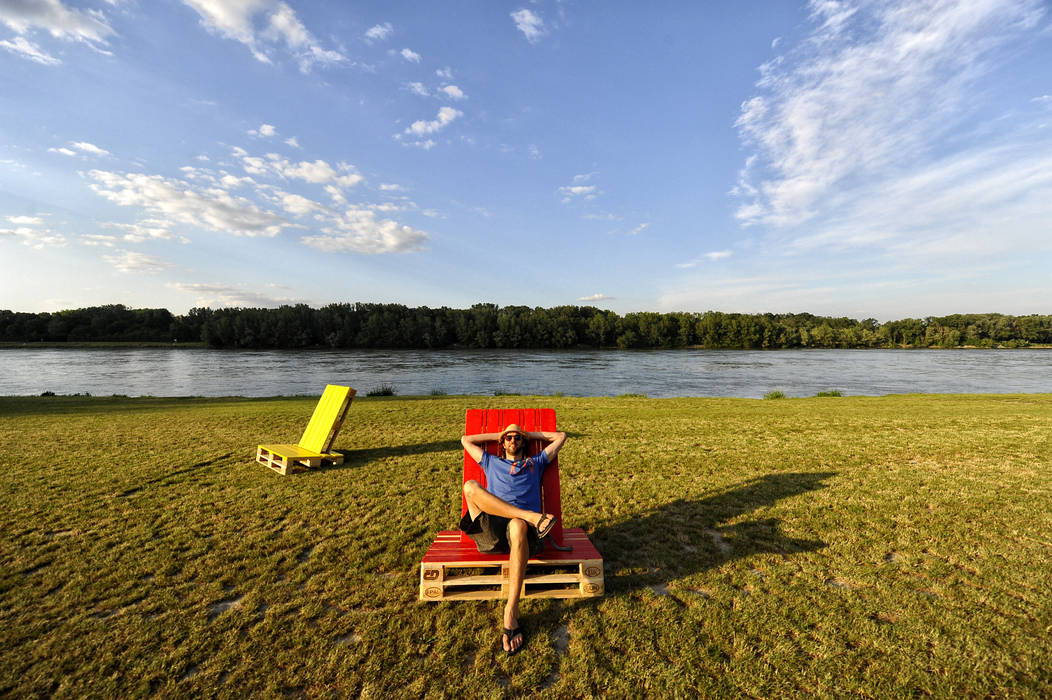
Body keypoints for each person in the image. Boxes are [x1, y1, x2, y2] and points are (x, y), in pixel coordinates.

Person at [460, 423, 567, 654]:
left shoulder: (535, 463)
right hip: (494, 532)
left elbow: (560, 436)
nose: (512, 441)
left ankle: (511, 611)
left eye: (517, 438)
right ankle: (528, 515)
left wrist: (527, 433)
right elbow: (465, 440)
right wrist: (499, 434)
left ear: (523, 442)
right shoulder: (491, 461)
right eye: (508, 438)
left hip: (525, 536)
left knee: (518, 525)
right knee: (470, 486)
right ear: (502, 443)